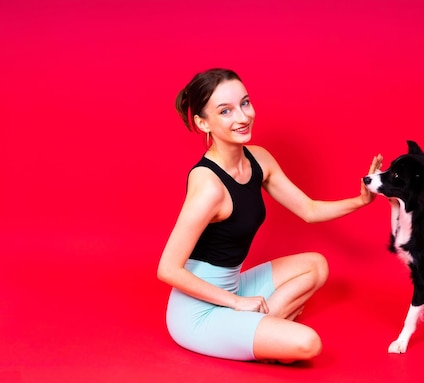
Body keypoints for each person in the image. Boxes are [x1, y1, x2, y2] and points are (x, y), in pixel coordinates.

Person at [157, 68, 383, 363]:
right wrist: (237, 303)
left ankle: (259, 328)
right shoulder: (208, 186)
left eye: (245, 103)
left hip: (233, 286)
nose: (242, 117)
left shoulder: (258, 158)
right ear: (203, 123)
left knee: (316, 265)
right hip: (197, 311)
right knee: (307, 343)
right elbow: (168, 269)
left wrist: (360, 201)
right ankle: (261, 330)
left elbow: (309, 210)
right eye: (225, 111)